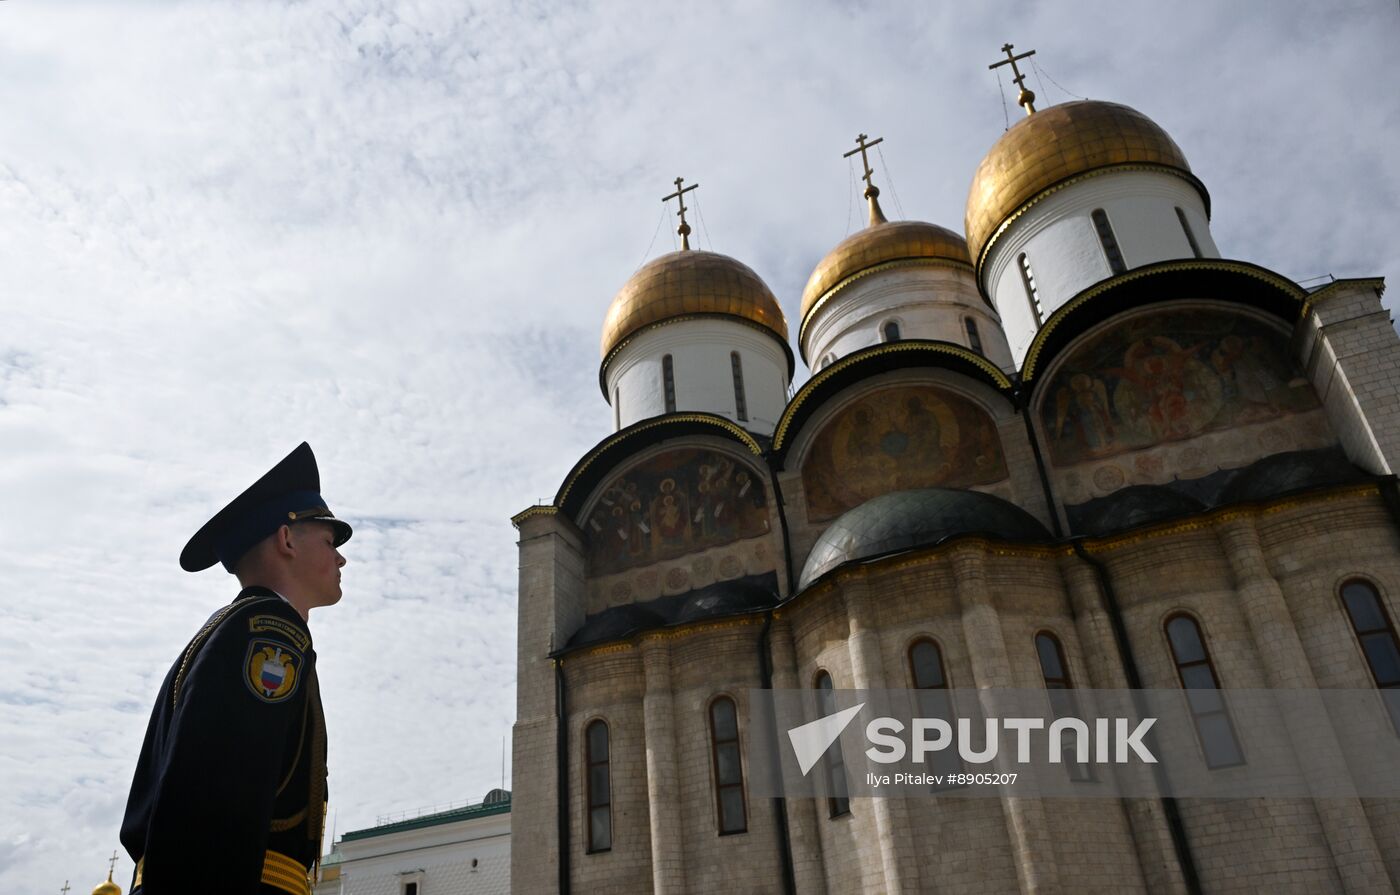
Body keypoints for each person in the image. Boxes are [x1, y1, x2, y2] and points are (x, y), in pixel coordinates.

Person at [120, 442, 351, 894]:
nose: (341, 558)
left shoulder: (231, 631)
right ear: (286, 540)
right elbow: (220, 802)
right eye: (329, 541)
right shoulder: (269, 635)